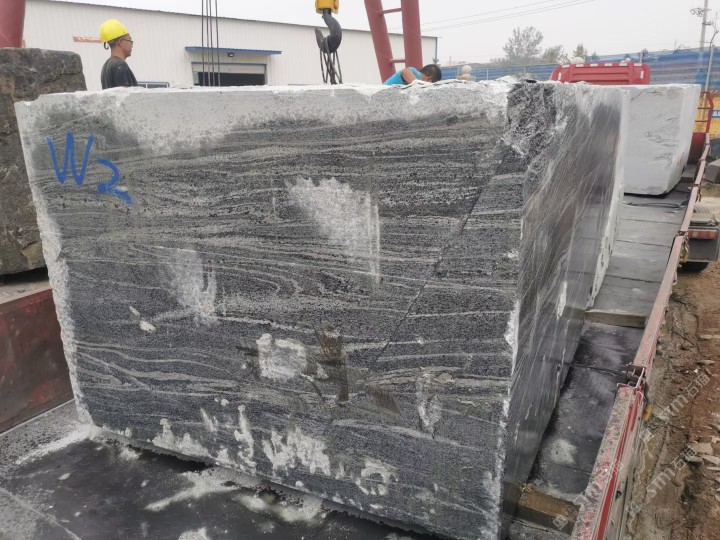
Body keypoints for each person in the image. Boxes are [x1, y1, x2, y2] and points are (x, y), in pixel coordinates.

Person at [99, 19, 138, 89]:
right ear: (120, 42)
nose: (131, 44)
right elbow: (124, 94)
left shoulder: (106, 66)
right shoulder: (120, 65)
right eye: (129, 40)